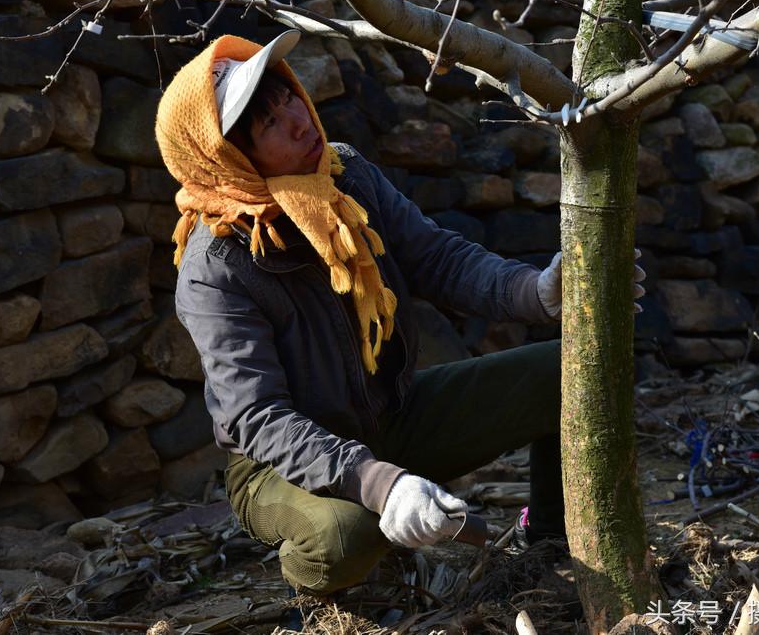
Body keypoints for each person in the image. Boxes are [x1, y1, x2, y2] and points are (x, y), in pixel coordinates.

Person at [154, 30, 641, 595]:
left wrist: (536, 292)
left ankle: (553, 545)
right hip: (279, 466)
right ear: (230, 159)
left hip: (390, 417)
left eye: (289, 98)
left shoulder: (344, 175)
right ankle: (325, 601)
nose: (299, 122)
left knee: (573, 371)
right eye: (269, 124)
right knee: (344, 537)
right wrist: (381, 484)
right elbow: (259, 417)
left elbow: (436, 258)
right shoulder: (217, 266)